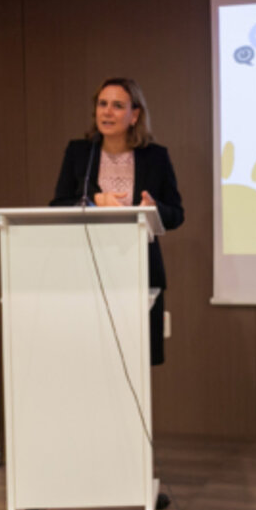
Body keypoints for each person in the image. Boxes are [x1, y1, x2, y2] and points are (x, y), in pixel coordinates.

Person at [51, 77, 184, 366]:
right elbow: (58, 205)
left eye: (117, 106)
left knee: (136, 364)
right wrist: (94, 200)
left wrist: (154, 208)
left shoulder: (155, 157)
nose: (107, 112)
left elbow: (177, 214)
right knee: (90, 361)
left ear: (134, 115)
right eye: (102, 104)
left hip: (139, 272)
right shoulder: (80, 153)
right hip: (88, 270)